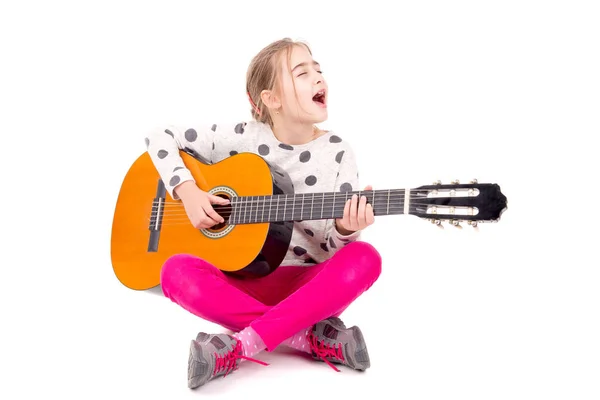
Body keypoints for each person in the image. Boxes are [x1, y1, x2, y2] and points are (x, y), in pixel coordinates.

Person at [145, 37, 382, 389]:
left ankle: (240, 346)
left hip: (307, 289)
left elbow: (333, 249)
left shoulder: (338, 152)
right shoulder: (243, 137)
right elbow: (159, 136)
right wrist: (188, 191)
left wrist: (345, 230)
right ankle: (306, 338)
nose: (318, 77)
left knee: (365, 257)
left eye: (318, 69)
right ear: (271, 100)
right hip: (243, 285)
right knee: (173, 272)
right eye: (302, 73)